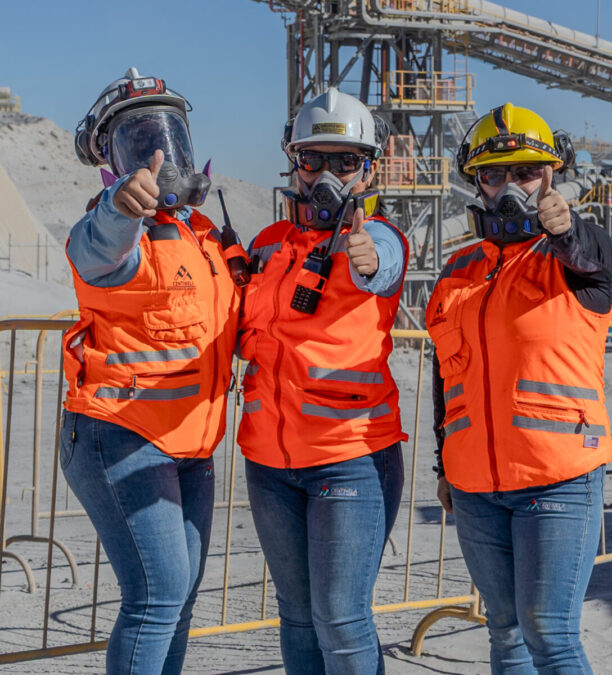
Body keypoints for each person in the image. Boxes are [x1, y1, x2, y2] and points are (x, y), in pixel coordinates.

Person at [59, 67, 242, 674]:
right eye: (136, 143)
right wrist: (119, 207)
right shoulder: (116, 229)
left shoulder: (203, 239)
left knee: (179, 598)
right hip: (123, 434)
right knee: (156, 596)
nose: (158, 156)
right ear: (109, 158)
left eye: (167, 137)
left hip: (191, 445)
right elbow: (94, 247)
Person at [427, 102, 612, 672]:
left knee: (550, 633)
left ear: (553, 175)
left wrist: (564, 228)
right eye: (495, 174)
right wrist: (444, 470)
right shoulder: (456, 272)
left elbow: (585, 251)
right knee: (505, 634)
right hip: (475, 489)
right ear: (476, 183)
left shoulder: (579, 257)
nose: (511, 186)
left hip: (557, 477)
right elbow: (446, 377)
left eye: (527, 172)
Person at [236, 87, 407, 674]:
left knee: (341, 615)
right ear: (293, 163)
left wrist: (367, 256)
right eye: (313, 160)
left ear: (370, 169)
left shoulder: (380, 236)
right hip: (268, 464)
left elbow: (380, 268)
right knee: (298, 614)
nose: (326, 175)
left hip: (349, 458)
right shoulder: (267, 246)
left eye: (345, 162)